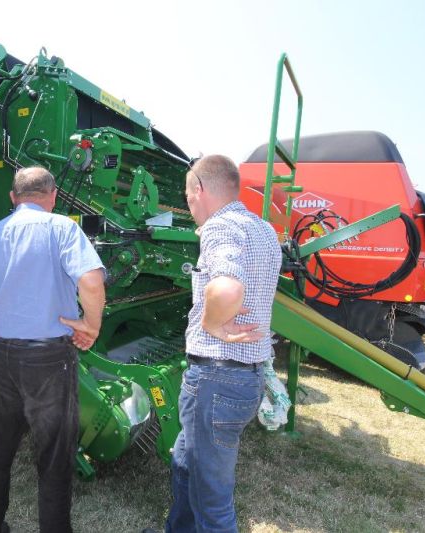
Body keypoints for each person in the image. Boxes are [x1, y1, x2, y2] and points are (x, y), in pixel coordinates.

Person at [0, 166, 106, 533]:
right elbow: (91, 282)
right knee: (54, 458)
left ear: (13, 198)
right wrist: (91, 326)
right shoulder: (62, 228)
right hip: (48, 361)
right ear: (53, 196)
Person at [162, 155, 281, 533]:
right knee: (184, 463)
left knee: (212, 499)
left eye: (187, 194)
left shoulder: (220, 227)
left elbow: (228, 285)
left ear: (199, 188)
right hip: (246, 377)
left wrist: (214, 323)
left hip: (216, 380)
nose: (188, 204)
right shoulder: (263, 229)